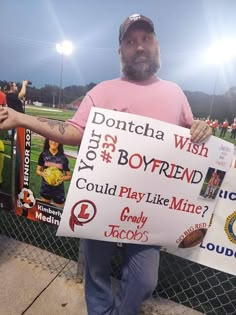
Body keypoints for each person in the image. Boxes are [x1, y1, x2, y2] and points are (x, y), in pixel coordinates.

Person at [0, 13, 212, 315]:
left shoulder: (175, 93)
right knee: (96, 272)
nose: (139, 46)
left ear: (157, 45)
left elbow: (191, 136)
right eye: (130, 41)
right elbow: (73, 131)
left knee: (143, 280)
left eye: (146, 39)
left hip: (150, 210)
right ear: (120, 52)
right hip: (102, 204)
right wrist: (22, 118)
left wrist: (201, 128)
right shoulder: (102, 91)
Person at [36, 139, 71, 208]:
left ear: (59, 143)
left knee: (58, 213)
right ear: (48, 141)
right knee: (44, 211)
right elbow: (38, 171)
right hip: (45, 188)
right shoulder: (43, 155)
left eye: (56, 140)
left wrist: (63, 178)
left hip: (58, 191)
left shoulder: (63, 158)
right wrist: (42, 174)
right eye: (51, 140)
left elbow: (69, 176)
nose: (54, 142)